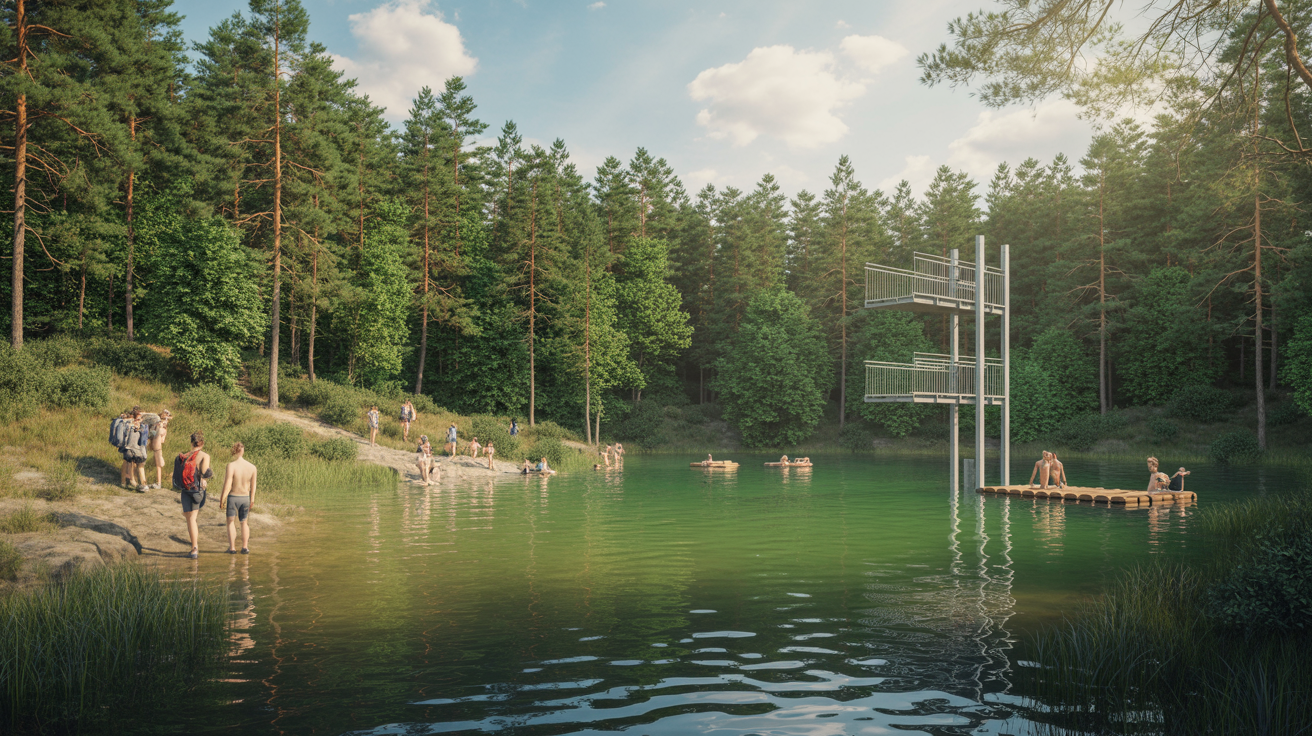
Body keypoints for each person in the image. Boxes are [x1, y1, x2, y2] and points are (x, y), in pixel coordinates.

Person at [219, 442, 258, 555]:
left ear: (234, 451)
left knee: (231, 522)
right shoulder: (252, 467)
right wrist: (252, 499)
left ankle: (232, 548)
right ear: (243, 451)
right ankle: (245, 547)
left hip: (233, 497)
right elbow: (253, 485)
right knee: (244, 522)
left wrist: (222, 499)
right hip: (245, 497)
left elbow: (227, 485)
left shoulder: (231, 465)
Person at [179, 432, 212, 559]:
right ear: (202, 444)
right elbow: (205, 472)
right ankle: (194, 549)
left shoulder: (185, 455)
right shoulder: (204, 455)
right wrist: (207, 477)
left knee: (189, 519)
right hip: (196, 491)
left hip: (185, 490)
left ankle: (193, 545)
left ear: (191, 443)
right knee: (193, 518)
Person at [121, 408, 149, 492]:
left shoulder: (142, 426)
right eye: (137, 419)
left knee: (140, 465)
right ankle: (124, 482)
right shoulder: (129, 426)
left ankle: (143, 484)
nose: (138, 421)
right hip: (129, 448)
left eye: (140, 419)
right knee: (127, 463)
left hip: (137, 449)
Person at [147, 410, 171, 489]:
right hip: (157, 447)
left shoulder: (156, 426)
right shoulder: (163, 429)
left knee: (158, 465)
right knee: (158, 465)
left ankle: (158, 482)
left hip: (153, 446)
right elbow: (162, 441)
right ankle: (158, 482)